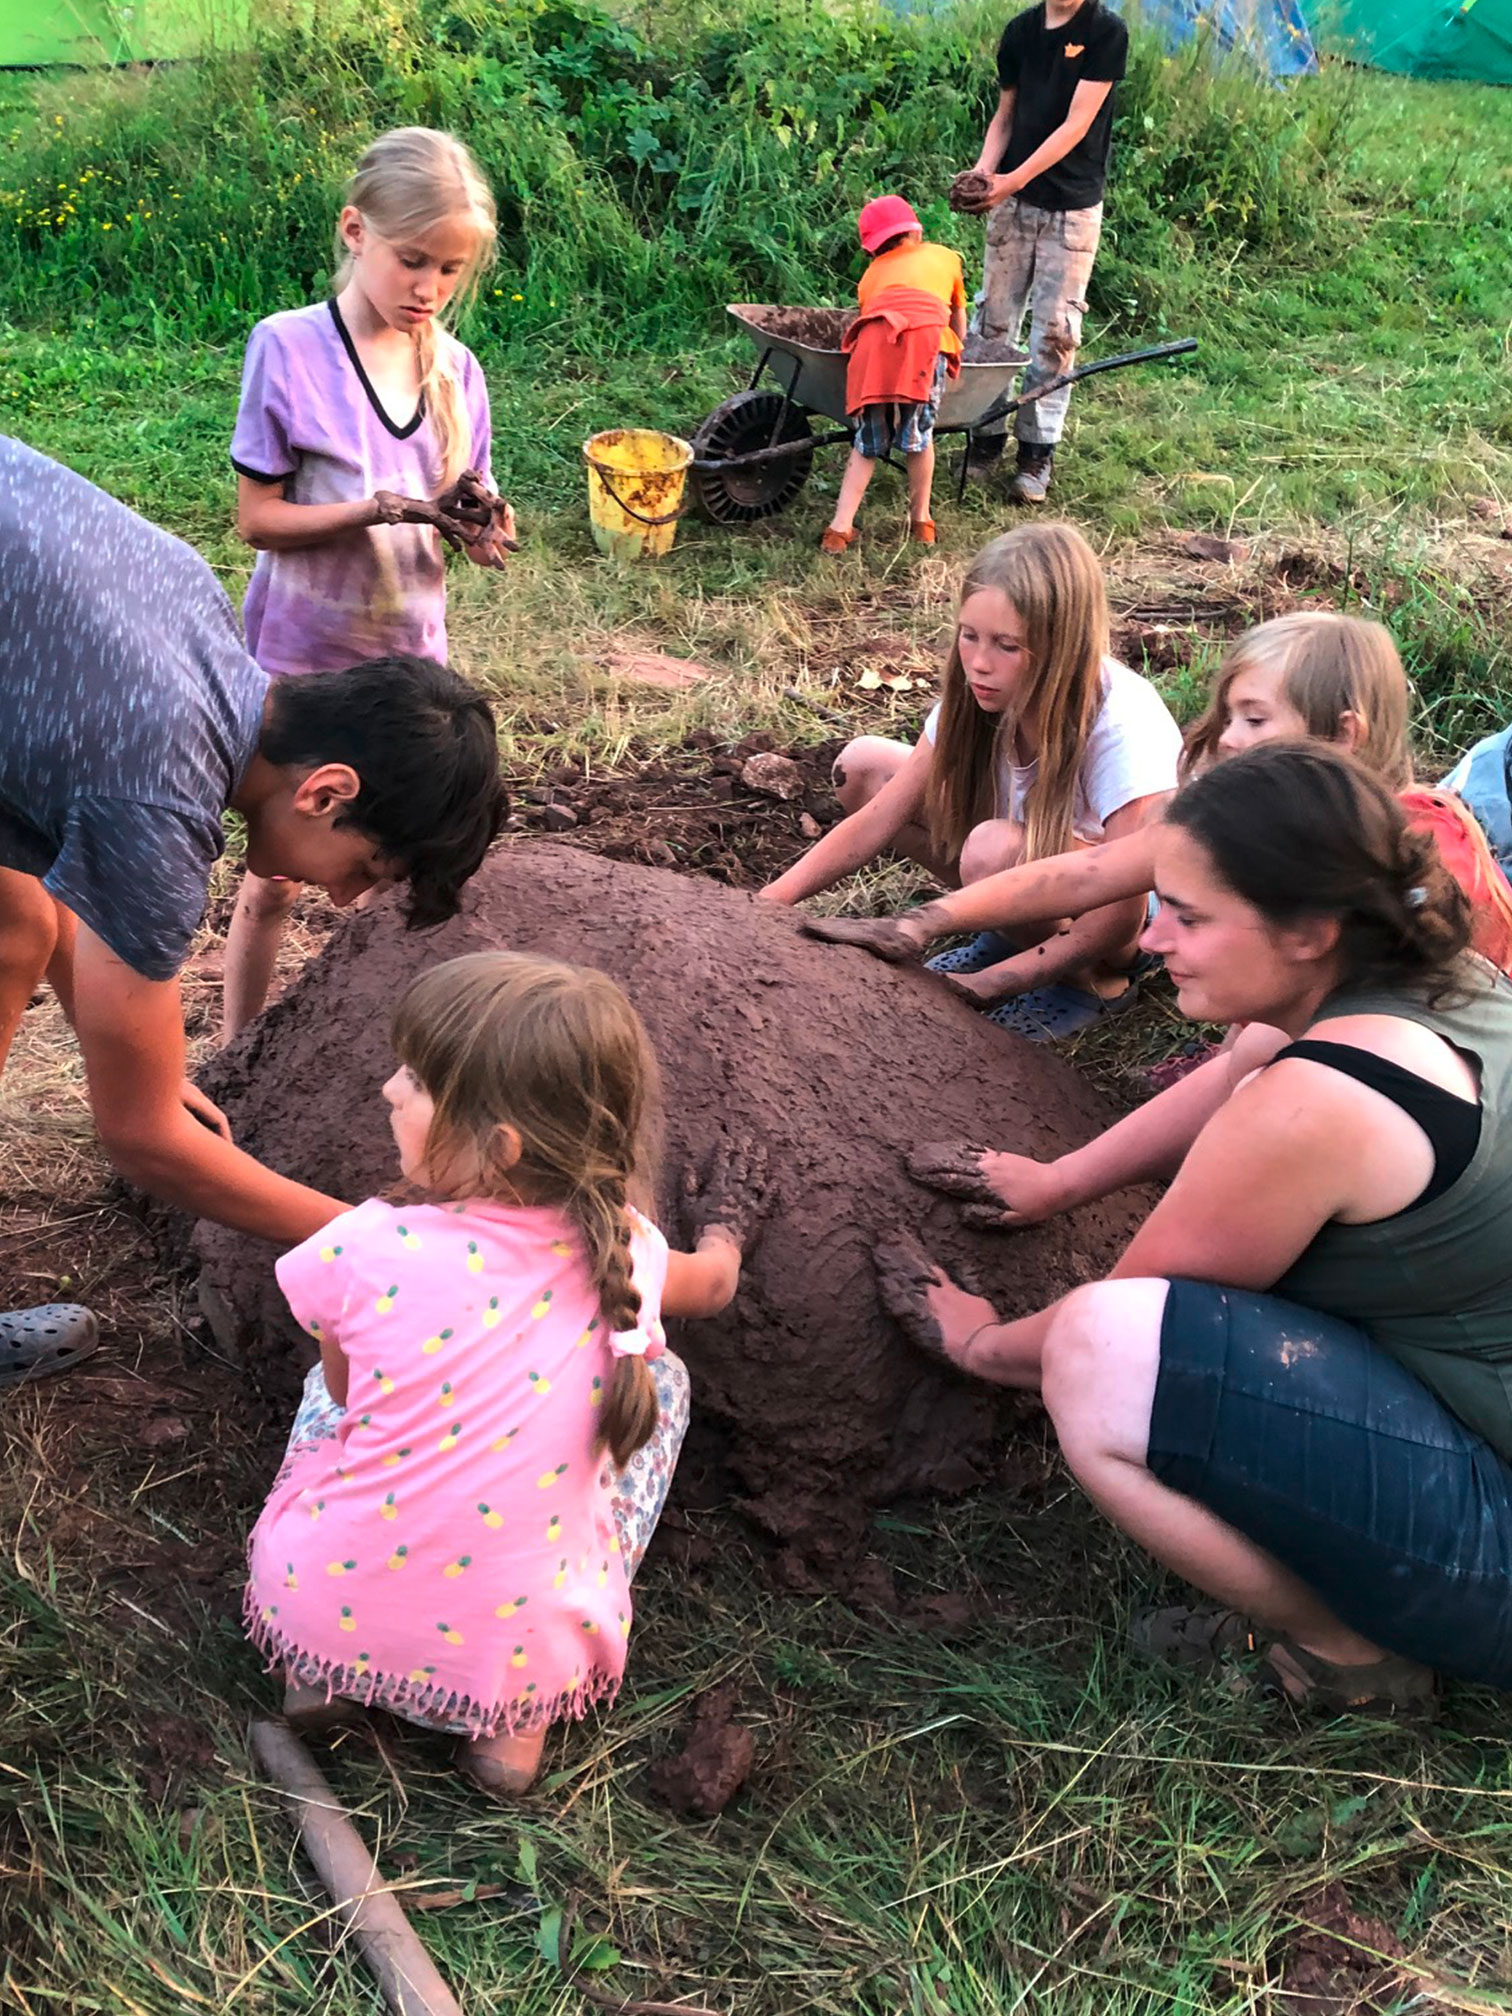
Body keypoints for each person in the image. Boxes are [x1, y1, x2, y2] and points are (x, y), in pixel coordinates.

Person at [879, 743, 1512, 1711]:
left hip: (1493, 1551)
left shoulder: (1317, 1105)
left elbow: (1129, 1306)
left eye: (1191, 916)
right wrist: (1058, 1184)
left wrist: (982, 1345)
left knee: (1104, 1348)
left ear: (1309, 931)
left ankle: (1351, 1656)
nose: (1153, 938)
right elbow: (1235, 1070)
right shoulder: (1448, 982)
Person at [0, 435, 504, 1383]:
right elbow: (140, 1141)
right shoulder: (160, 796)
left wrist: (139, 1061)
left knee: (15, 926)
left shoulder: (198, 626)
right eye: (365, 867)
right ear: (327, 791)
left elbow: (71, 881)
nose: (343, 897)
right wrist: (387, 1247)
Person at [245, 952, 751, 1794]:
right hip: (519, 1648)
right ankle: (510, 1738)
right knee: (660, 1381)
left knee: (324, 1396)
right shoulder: (628, 1253)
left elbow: (341, 1396)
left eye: (416, 1080)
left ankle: (318, 1677)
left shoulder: (361, 1246)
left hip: (322, 1605)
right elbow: (717, 1286)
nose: (388, 1090)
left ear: (500, 1145)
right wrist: (729, 1229)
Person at [804, 612, 1512, 1003]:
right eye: (1228, 716)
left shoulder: (1411, 857)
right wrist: (922, 923)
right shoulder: (1252, 812)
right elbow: (1091, 873)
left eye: (1255, 720)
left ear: (1342, 734)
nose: (1228, 740)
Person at [223, 126, 515, 1041]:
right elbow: (256, 519)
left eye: (450, 270)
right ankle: (238, 1051)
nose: (429, 288)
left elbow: (465, 513)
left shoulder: (458, 372)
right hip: (301, 660)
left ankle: (384, 1053)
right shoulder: (287, 347)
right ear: (356, 231)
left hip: (407, 672)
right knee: (272, 879)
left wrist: (482, 530)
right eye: (412, 260)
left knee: (393, 867)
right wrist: (372, 510)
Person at [763, 521, 1182, 1038]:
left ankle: (1089, 985)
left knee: (992, 848)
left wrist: (987, 984)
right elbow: (878, 818)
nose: (979, 664)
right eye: (969, 636)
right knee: (864, 767)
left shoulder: (1121, 722)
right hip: (1024, 855)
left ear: (1061, 644)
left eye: (1008, 645)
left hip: (1124, 921)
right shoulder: (976, 695)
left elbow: (1120, 913)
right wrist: (765, 906)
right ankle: (1013, 933)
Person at [955, 0, 1129, 503]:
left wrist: (1010, 180)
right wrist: (984, 174)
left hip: (1072, 207)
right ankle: (985, 435)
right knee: (992, 322)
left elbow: (1076, 126)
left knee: (1056, 332)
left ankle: (1036, 454)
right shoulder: (1020, 32)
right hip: (1012, 203)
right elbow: (1004, 118)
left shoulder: (1105, 32)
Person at [820, 194, 968, 554]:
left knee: (867, 443)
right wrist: (957, 349)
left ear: (873, 248)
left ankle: (839, 529)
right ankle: (921, 523)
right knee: (919, 438)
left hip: (872, 351)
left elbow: (873, 317)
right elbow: (957, 317)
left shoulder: (870, 277)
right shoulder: (945, 257)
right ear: (916, 232)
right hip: (925, 347)